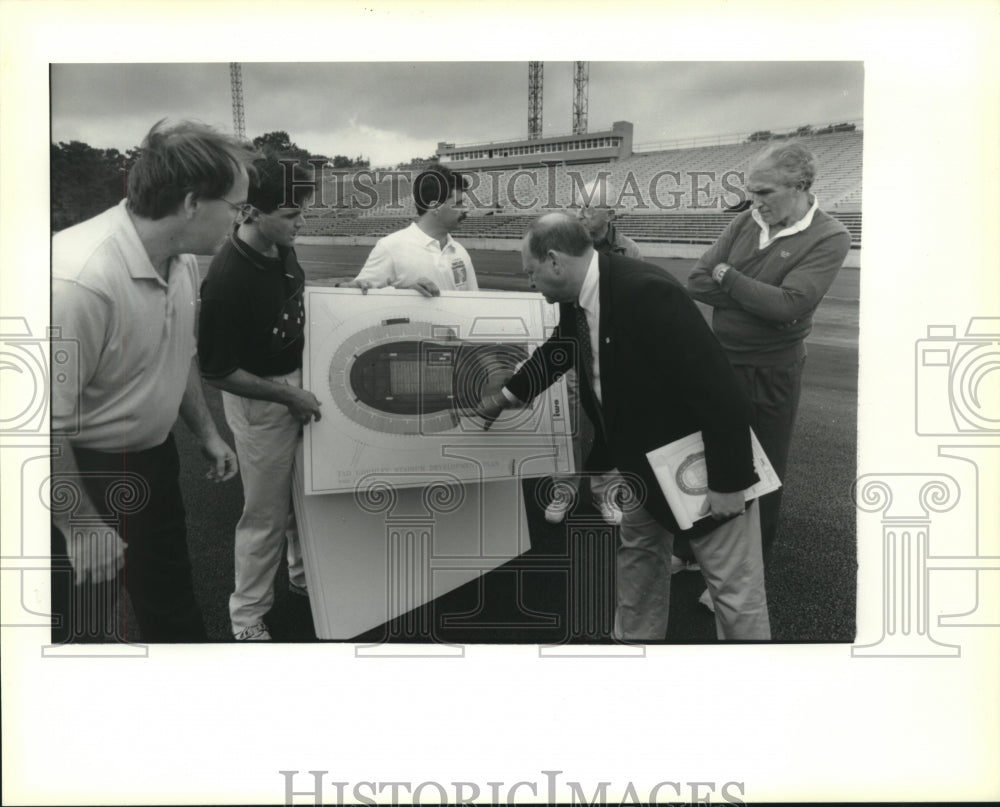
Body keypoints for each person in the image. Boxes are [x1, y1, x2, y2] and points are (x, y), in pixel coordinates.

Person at [475, 214, 771, 641]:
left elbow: (720, 390)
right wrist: (505, 398)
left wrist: (729, 481)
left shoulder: (646, 291)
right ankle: (633, 648)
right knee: (640, 558)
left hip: (700, 467)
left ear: (555, 262)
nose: (529, 283)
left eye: (531, 271)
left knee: (733, 589)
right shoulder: (580, 298)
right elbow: (561, 351)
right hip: (639, 463)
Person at [51, 119, 252, 643]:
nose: (239, 220)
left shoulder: (181, 260)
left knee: (171, 602)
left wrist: (206, 434)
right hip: (77, 470)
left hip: (152, 460)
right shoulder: (78, 280)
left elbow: (175, 352)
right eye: (236, 207)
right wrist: (80, 526)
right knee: (75, 623)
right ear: (190, 203)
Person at [686, 142, 851, 564]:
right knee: (706, 457)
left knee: (763, 468)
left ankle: (747, 564)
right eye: (751, 192)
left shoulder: (830, 236)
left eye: (764, 192)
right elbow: (696, 281)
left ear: (799, 186)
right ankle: (694, 552)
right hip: (718, 358)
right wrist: (756, 296)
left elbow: (789, 307)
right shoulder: (746, 221)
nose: (754, 202)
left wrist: (727, 274)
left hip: (772, 370)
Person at [198, 159, 323, 641]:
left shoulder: (279, 246)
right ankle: (246, 616)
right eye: (291, 214)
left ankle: (300, 577)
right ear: (250, 211)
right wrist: (286, 393)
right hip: (262, 397)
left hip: (292, 387)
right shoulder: (227, 279)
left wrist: (361, 290)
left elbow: (296, 306)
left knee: (303, 500)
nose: (301, 222)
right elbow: (217, 369)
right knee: (265, 515)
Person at [543, 178, 641, 526]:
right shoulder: (567, 245)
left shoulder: (629, 250)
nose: (580, 215)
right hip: (572, 345)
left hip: (610, 356)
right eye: (577, 207)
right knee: (565, 423)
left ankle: (607, 493)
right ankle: (563, 490)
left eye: (588, 208)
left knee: (610, 426)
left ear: (611, 214)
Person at [339, 164, 478, 297]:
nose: (466, 209)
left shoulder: (460, 252)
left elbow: (474, 303)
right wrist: (403, 294)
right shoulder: (391, 247)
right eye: (459, 203)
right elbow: (356, 295)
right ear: (435, 207)